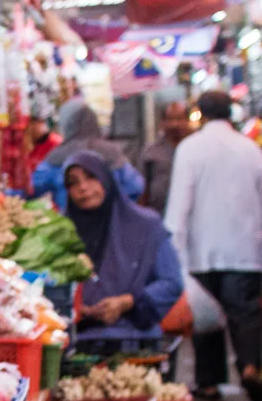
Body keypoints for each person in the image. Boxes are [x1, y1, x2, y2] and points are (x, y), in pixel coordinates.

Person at [164, 90, 262, 401]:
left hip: (202, 249)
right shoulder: (251, 150)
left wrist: (174, 249)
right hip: (245, 248)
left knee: (205, 318)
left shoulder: (189, 149)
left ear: (200, 114)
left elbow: (179, 205)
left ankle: (209, 382)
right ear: (231, 113)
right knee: (245, 313)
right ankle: (250, 366)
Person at [61, 148, 184, 349]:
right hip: (76, 343)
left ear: (106, 180)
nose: (83, 188)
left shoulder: (146, 226)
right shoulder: (60, 233)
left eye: (91, 177)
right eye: (73, 183)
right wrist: (72, 309)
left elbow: (171, 282)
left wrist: (127, 302)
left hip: (134, 342)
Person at [32, 98, 145, 211]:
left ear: (66, 124)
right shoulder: (111, 152)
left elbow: (30, 189)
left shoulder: (56, 158)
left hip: (73, 225)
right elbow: (136, 186)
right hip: (112, 223)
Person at [139, 95, 193, 216]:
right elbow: (143, 189)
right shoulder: (151, 151)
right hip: (160, 216)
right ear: (163, 122)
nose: (174, 124)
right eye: (170, 119)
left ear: (187, 121)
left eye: (179, 119)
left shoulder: (197, 149)